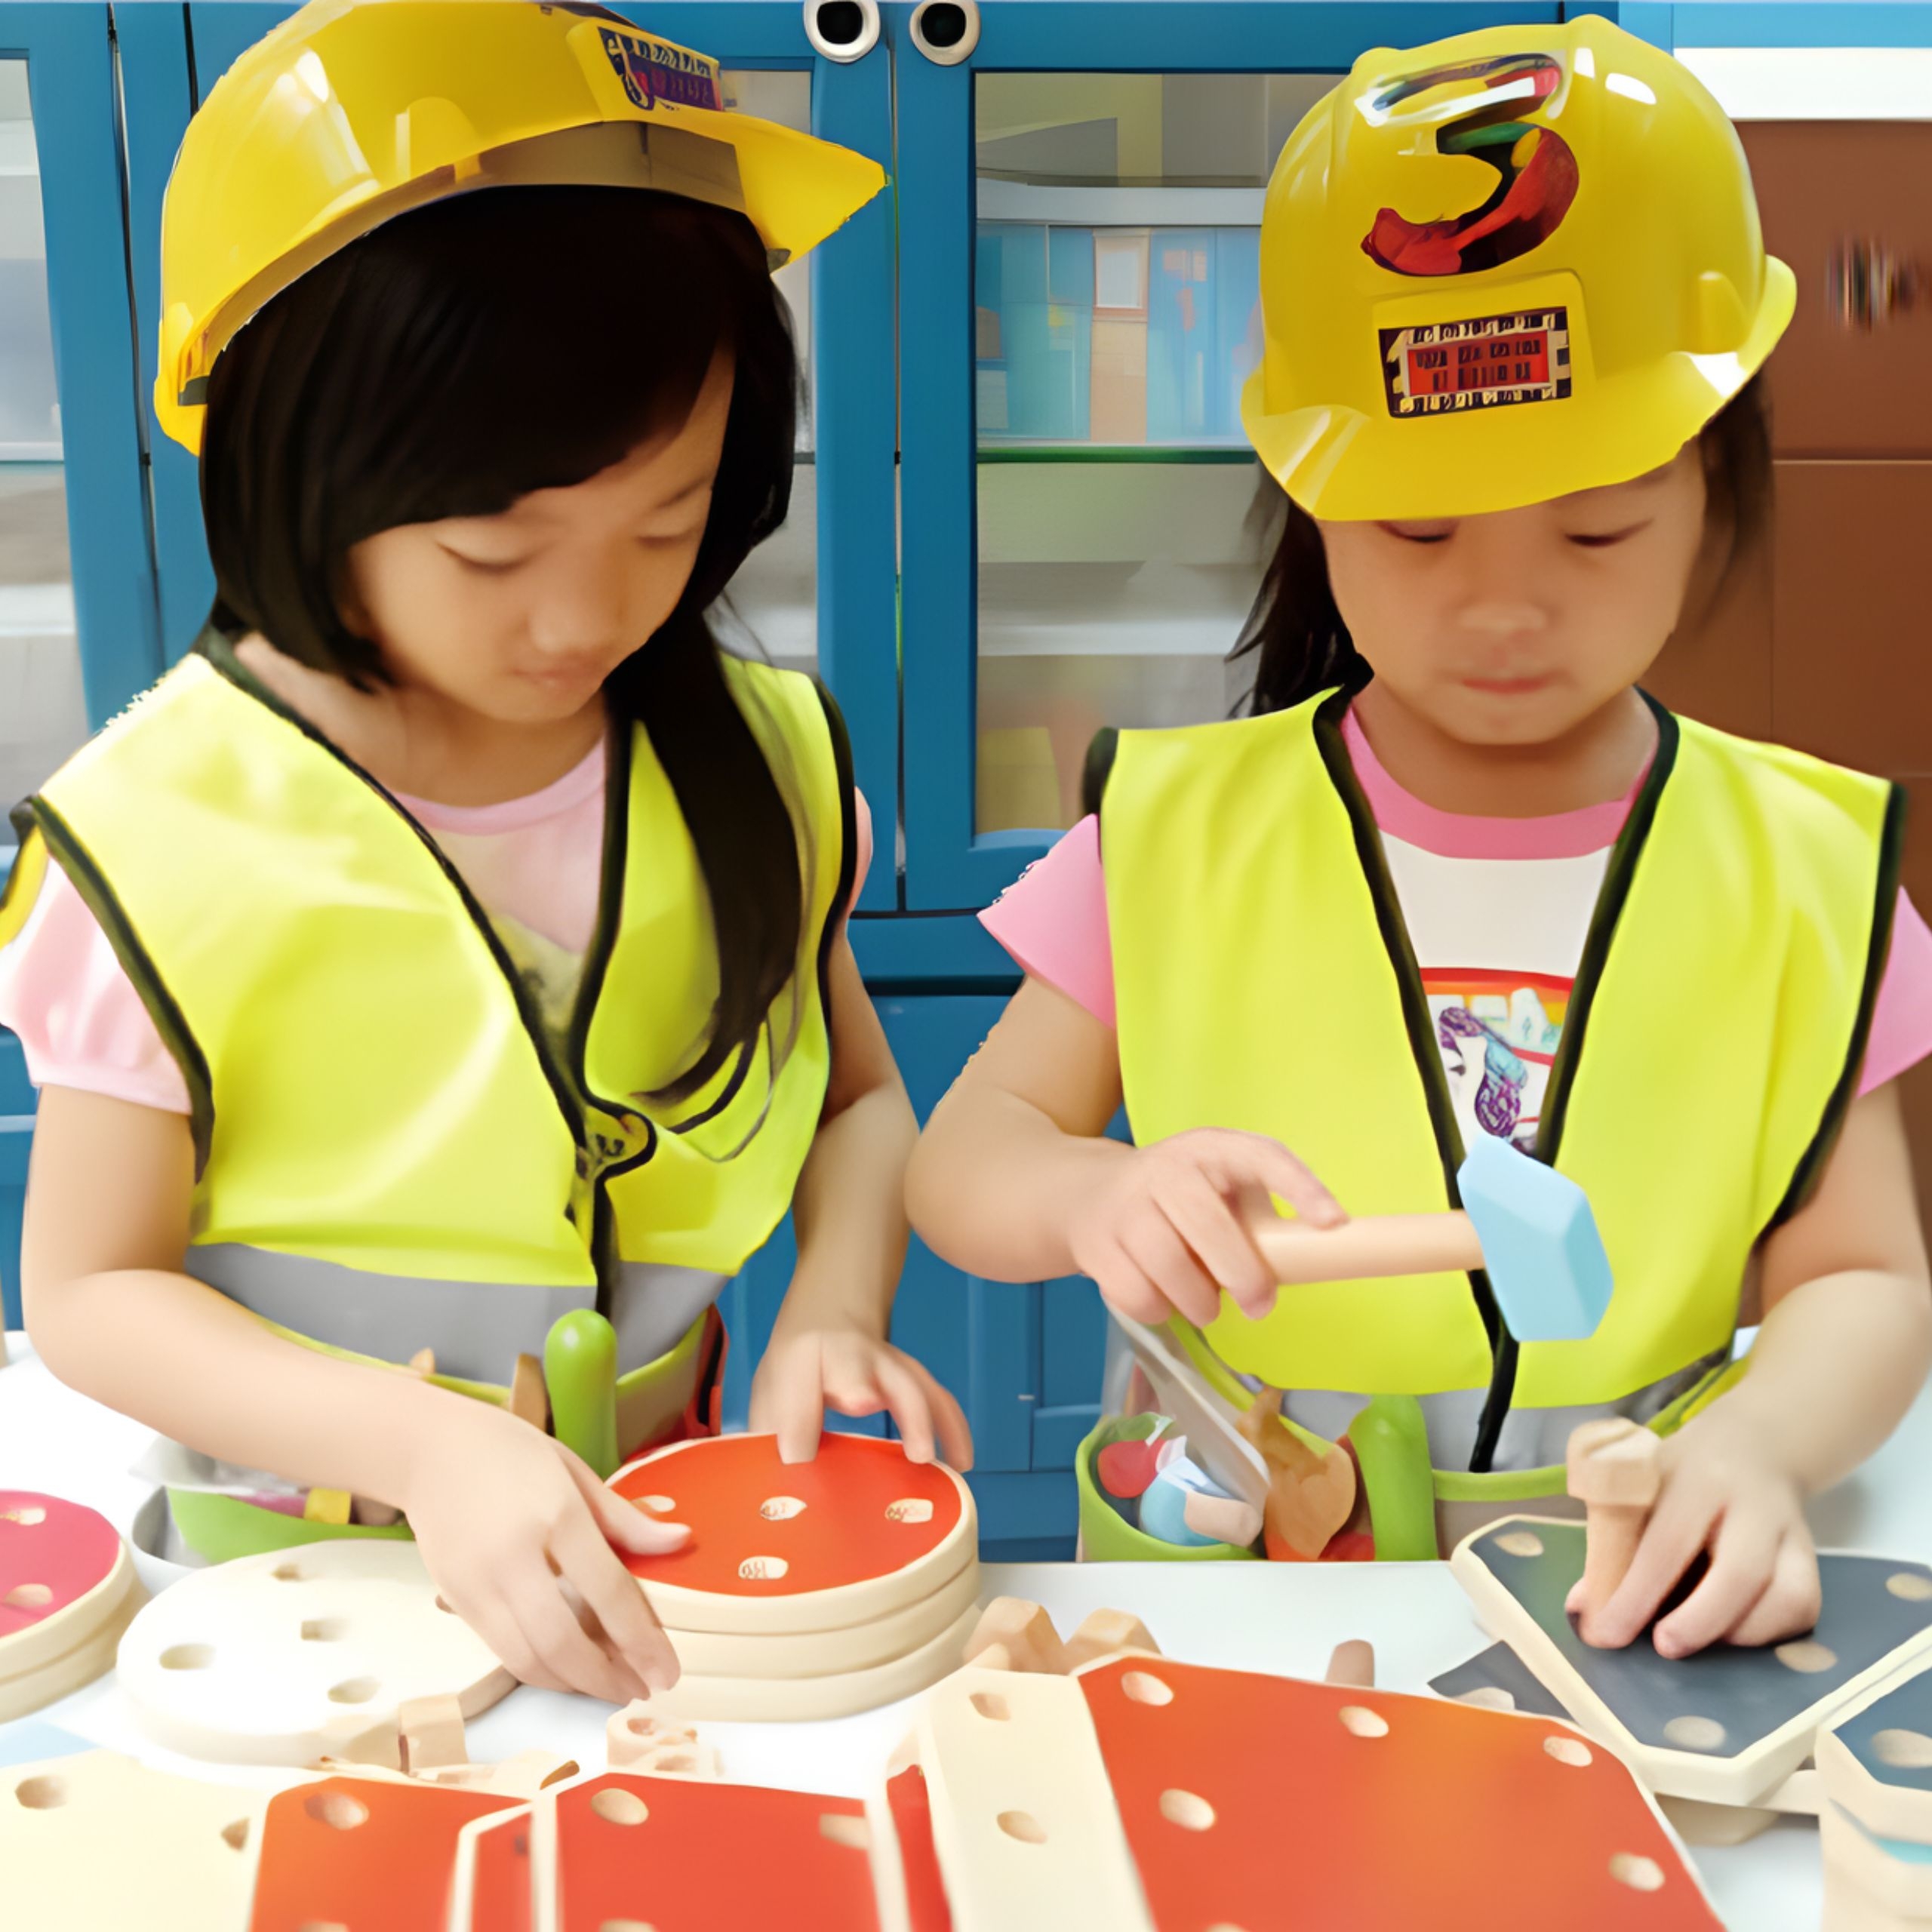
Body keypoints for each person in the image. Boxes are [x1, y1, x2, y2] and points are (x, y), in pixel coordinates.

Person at [907, 17, 1932, 1657]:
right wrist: (1093, 1192)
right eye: (1420, 529)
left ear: (1713, 492)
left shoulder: (1805, 871)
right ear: (1310, 501)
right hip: (1244, 1593)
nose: (1503, 606)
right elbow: (964, 1158)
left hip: (1624, 1595)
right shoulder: (1178, 829)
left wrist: (1758, 1444)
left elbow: (1863, 1278)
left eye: (1594, 528)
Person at [0, 0, 968, 1706]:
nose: (585, 617)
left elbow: (860, 1103)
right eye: (491, 551)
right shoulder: (156, 835)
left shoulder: (760, 760)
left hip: (660, 1548)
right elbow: (87, 1288)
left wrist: (833, 1301)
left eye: (664, 522)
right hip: (301, 1588)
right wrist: (425, 1443)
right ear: (297, 457)